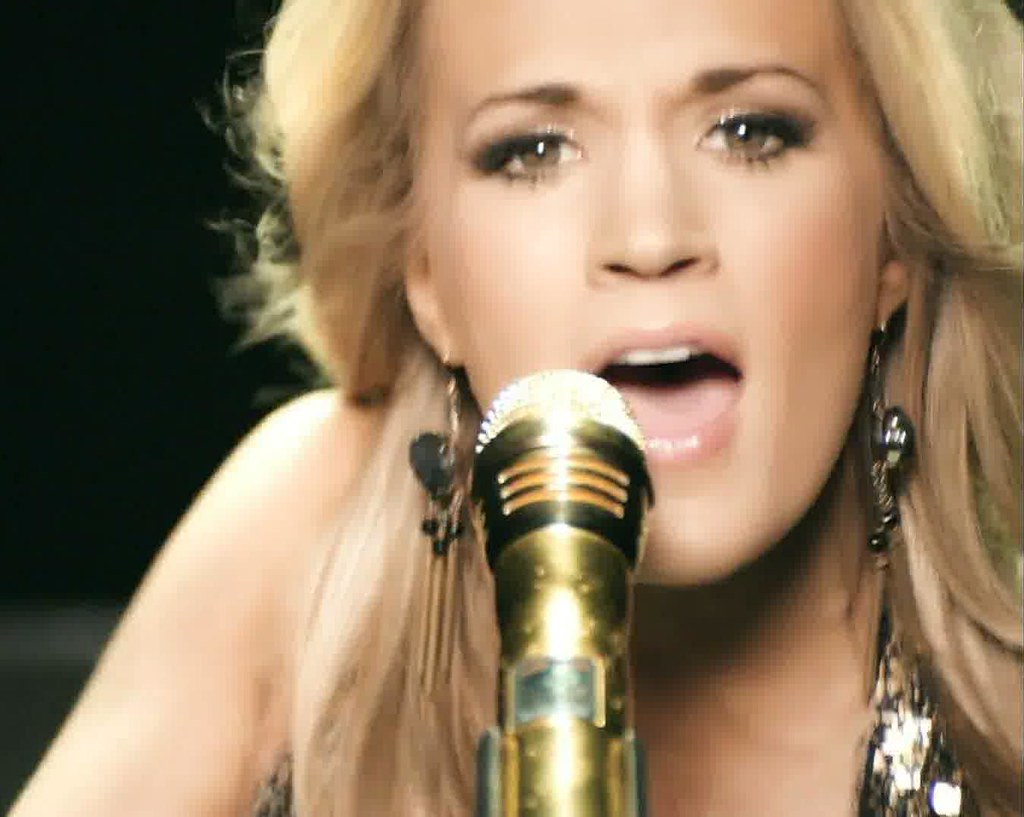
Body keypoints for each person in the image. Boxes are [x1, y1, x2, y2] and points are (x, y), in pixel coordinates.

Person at [11, 0, 1021, 814]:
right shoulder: (305, 536)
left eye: (749, 131)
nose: (648, 235)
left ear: (893, 235)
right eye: (533, 149)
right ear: (424, 275)